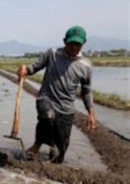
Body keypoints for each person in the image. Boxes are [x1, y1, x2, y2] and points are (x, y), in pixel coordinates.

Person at [17, 25, 96, 163]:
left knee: (60, 154)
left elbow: (86, 91)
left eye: (78, 44)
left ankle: (54, 149)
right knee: (47, 116)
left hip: (66, 108)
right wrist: (25, 70)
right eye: (71, 43)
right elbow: (34, 67)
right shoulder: (52, 54)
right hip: (47, 98)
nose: (74, 47)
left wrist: (90, 112)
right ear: (65, 41)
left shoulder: (86, 66)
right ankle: (36, 146)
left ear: (83, 43)